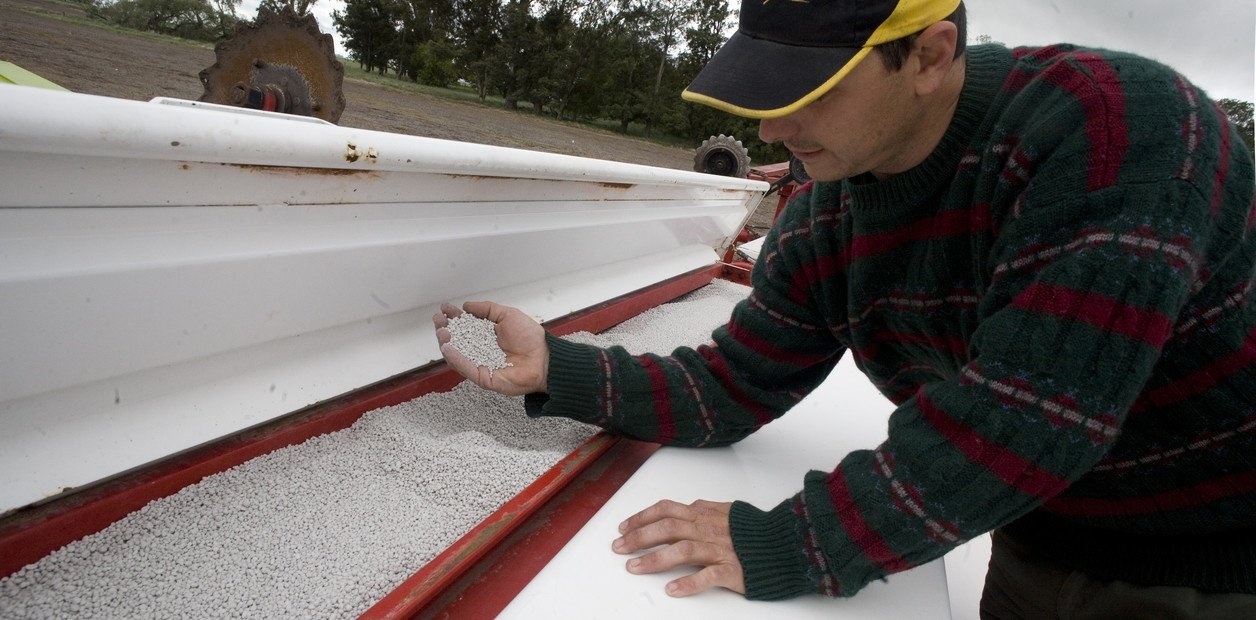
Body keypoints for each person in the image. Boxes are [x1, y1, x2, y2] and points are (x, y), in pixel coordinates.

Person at [434, 0, 1256, 615]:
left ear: (930, 54)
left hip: (1208, 561)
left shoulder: (1119, 131)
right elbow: (732, 382)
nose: (769, 127)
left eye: (810, 91)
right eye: (764, 88)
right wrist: (563, 365)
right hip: (1033, 534)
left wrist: (794, 542)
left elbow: (1026, 419)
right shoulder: (834, 207)